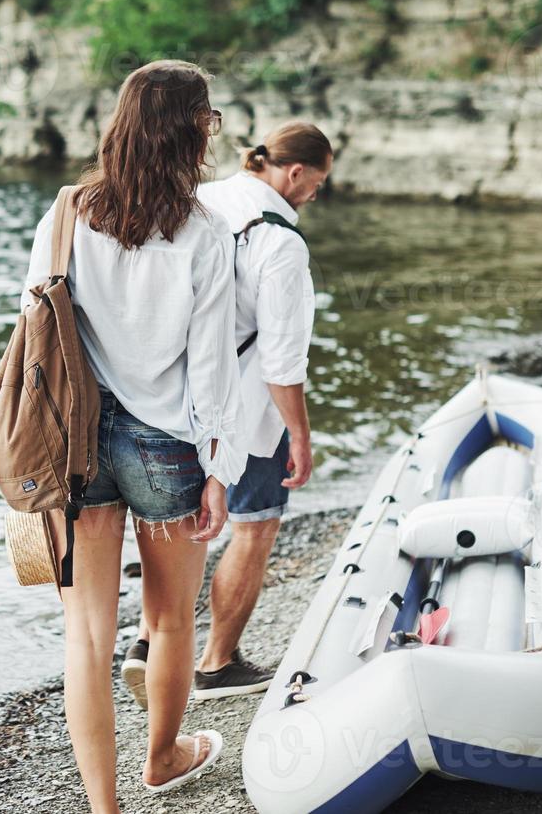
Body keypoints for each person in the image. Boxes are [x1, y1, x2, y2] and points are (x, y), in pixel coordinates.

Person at [23, 60, 247, 812]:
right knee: (169, 616)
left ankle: (103, 807)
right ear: (192, 130)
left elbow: (37, 334)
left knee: (85, 635)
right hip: (165, 443)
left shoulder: (65, 212)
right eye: (208, 119)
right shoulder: (204, 232)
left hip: (77, 442)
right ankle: (163, 758)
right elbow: (212, 370)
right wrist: (221, 468)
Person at [122, 121, 332, 706]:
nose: (317, 194)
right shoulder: (281, 243)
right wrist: (299, 433)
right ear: (295, 173)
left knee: (181, 526)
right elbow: (283, 361)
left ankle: (146, 641)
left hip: (170, 399)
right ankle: (217, 664)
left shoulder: (205, 199)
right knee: (253, 526)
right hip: (242, 412)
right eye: (318, 182)